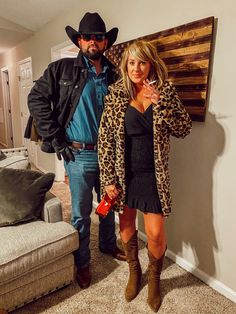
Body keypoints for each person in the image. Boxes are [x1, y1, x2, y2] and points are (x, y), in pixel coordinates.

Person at [27, 12, 126, 290]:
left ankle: (107, 245)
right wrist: (56, 139)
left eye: (98, 37)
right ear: (79, 41)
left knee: (108, 207)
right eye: (87, 37)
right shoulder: (61, 70)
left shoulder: (115, 74)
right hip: (78, 155)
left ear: (105, 41)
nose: (92, 41)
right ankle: (82, 261)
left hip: (109, 155)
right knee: (81, 214)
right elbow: (35, 99)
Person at [98, 40, 192, 312]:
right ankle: (134, 271)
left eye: (141, 62)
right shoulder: (115, 94)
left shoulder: (165, 91)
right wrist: (108, 179)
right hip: (124, 174)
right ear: (124, 66)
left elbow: (183, 128)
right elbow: (105, 140)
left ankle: (154, 280)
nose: (136, 68)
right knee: (126, 226)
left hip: (153, 176)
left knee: (154, 233)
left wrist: (160, 104)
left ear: (151, 63)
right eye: (131, 63)